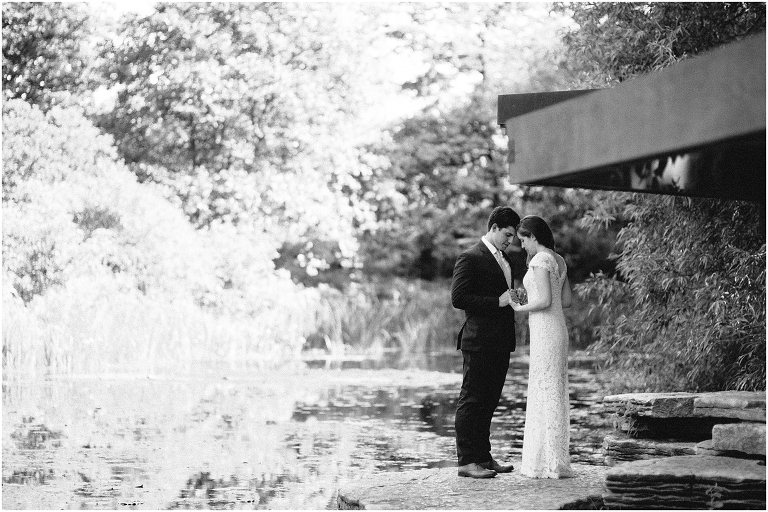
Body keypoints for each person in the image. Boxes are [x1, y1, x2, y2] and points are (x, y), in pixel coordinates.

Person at [451, 206, 520, 479]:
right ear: (493, 228)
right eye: (507, 234)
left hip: (500, 341)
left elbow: (504, 297)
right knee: (472, 400)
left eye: (513, 236)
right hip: (478, 340)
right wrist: (498, 301)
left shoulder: (505, 259)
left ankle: (483, 457)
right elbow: (459, 299)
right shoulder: (469, 257)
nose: (510, 241)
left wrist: (516, 298)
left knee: (490, 400)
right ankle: (467, 461)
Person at [510, 215, 573, 479]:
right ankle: (555, 460)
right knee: (554, 391)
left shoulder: (539, 259)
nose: (522, 245)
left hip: (545, 331)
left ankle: (543, 463)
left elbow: (545, 300)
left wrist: (518, 307)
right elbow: (565, 300)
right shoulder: (559, 260)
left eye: (523, 239)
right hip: (558, 329)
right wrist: (534, 297)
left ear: (533, 236)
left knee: (543, 391)